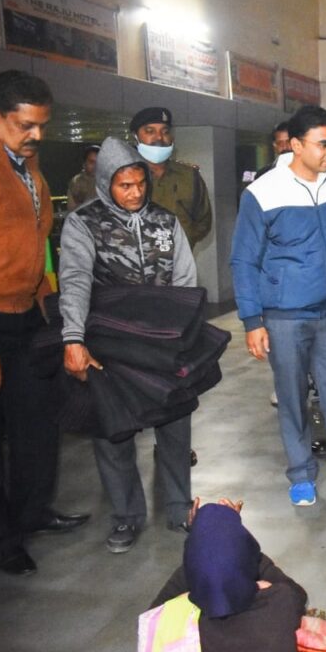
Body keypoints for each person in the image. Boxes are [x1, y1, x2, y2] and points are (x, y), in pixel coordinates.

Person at [59, 136, 197, 553]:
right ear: (105, 183)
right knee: (113, 432)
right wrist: (73, 337)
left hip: (162, 342)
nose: (135, 192)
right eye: (125, 186)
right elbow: (75, 281)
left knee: (175, 426)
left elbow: (185, 279)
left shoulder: (164, 221)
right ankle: (126, 516)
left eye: (140, 184)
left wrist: (184, 333)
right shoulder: (83, 223)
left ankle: (179, 507)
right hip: (110, 345)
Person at [232, 105, 326, 505]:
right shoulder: (263, 192)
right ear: (295, 145)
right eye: (323, 144)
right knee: (292, 397)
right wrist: (252, 320)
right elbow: (243, 260)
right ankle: (300, 473)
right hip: (284, 317)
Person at [0, 70, 89, 576]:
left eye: (43, 125)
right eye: (26, 125)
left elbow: (35, 241)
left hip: (27, 314)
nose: (37, 135)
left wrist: (50, 301)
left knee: (37, 423)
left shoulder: (27, 163)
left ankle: (31, 512)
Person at [144, 499, 307, 652]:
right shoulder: (280, 601)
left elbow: (153, 614)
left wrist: (199, 543)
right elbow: (298, 595)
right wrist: (240, 543)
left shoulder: (173, 625)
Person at [130, 107, 213, 249]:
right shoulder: (122, 176)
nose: (159, 137)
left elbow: (203, 222)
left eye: (165, 132)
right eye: (150, 131)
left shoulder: (188, 175)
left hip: (179, 259)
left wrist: (184, 241)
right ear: (135, 136)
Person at [67, 144, 99, 210]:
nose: (95, 166)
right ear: (84, 164)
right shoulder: (76, 182)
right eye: (91, 162)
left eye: (98, 162)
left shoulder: (108, 182)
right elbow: (72, 209)